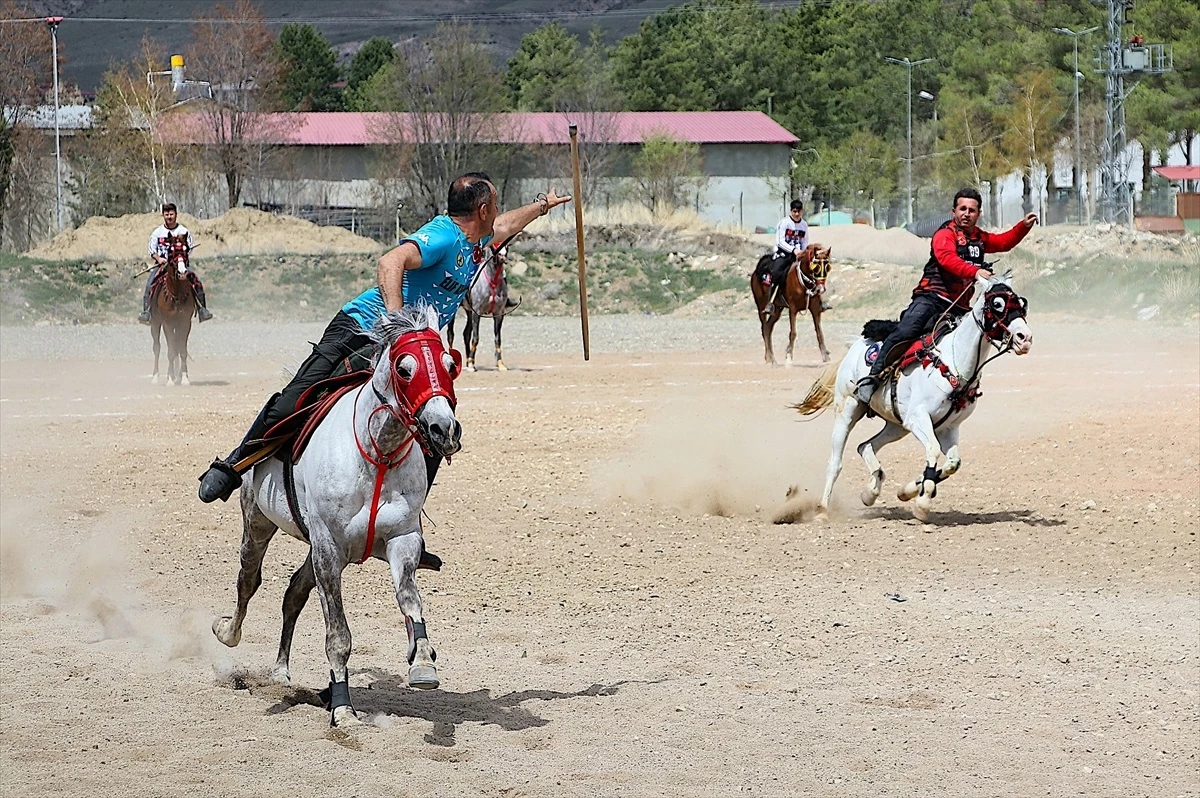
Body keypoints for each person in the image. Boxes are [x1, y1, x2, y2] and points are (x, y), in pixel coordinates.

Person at [197, 172, 571, 504]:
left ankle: (409, 515)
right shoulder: (444, 234)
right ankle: (233, 465)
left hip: (411, 348)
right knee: (297, 399)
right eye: (495, 205)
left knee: (437, 421)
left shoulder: (478, 240)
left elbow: (506, 226)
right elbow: (390, 262)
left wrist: (542, 206)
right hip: (361, 327)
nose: (498, 214)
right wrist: (396, 326)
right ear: (483, 208)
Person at [855, 188, 1037, 404]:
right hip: (931, 298)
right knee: (906, 331)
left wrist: (1022, 227)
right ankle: (872, 378)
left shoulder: (978, 237)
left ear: (978, 214)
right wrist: (975, 271)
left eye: (972, 210)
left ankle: (961, 390)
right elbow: (947, 259)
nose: (966, 214)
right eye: (962, 209)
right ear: (954, 211)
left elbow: (1003, 242)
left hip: (959, 306)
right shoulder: (944, 235)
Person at [139, 203, 213, 324]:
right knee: (150, 283)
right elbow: (152, 250)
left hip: (181, 264)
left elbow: (189, 248)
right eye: (166, 214)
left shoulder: (183, 231)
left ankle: (202, 309)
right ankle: (146, 311)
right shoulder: (157, 233)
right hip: (162, 266)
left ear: (176, 215)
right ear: (163, 215)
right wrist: (159, 259)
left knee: (196, 282)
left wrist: (181, 259)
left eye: (171, 214)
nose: (169, 217)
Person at [757, 199, 809, 288]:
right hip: (783, 253)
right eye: (794, 211)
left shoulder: (804, 225)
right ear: (791, 211)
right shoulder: (784, 223)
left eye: (799, 211)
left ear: (802, 211)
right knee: (776, 272)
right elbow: (780, 242)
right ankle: (772, 295)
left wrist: (803, 252)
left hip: (798, 254)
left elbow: (804, 241)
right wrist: (793, 250)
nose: (797, 214)